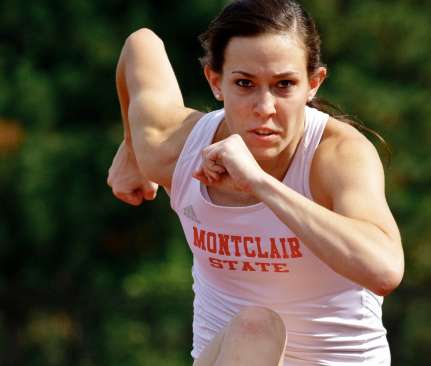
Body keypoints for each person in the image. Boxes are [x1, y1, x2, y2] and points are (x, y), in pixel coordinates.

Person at [107, 0, 404, 364]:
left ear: (313, 83)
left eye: (284, 85)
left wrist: (260, 184)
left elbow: (384, 270)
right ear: (215, 82)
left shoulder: (337, 156)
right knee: (255, 327)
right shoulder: (175, 149)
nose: (264, 107)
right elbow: (140, 44)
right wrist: (133, 149)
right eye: (245, 83)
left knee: (256, 324)